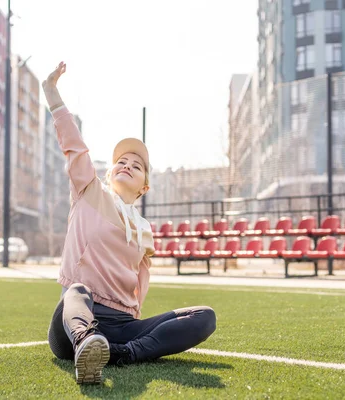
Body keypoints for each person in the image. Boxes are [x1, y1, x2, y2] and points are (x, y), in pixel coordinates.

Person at [43, 62, 217, 385]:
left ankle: (124, 354)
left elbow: (141, 283)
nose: (127, 165)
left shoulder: (145, 230)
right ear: (109, 173)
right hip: (76, 316)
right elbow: (75, 147)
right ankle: (86, 345)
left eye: (136, 165)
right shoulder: (89, 192)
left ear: (144, 187)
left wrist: (136, 323)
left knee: (205, 317)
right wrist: (52, 94)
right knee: (77, 291)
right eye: (121, 162)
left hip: (123, 326)